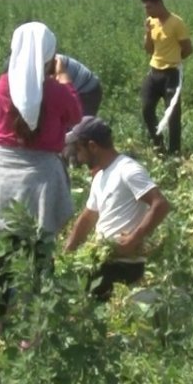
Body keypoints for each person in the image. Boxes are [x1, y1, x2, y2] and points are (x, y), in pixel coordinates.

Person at [0, 22, 83, 314]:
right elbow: (75, 115)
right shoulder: (55, 91)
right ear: (49, 55)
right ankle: (34, 325)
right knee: (40, 252)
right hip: (40, 177)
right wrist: (62, 77)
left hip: (1, 174)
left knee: (0, 248)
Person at [62, 116, 172, 300]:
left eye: (79, 149)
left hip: (123, 265)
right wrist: (68, 252)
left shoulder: (127, 169)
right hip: (102, 259)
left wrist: (133, 239)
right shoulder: (100, 176)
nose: (78, 157)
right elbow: (88, 217)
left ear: (93, 146)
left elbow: (160, 204)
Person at [140, 0, 193, 154]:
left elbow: (188, 49)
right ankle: (158, 143)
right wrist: (148, 33)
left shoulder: (176, 23)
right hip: (154, 72)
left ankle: (175, 152)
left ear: (158, 4)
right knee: (147, 109)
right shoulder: (152, 22)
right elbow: (149, 49)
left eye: (149, 7)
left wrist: (174, 59)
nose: (147, 11)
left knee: (172, 114)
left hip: (171, 74)